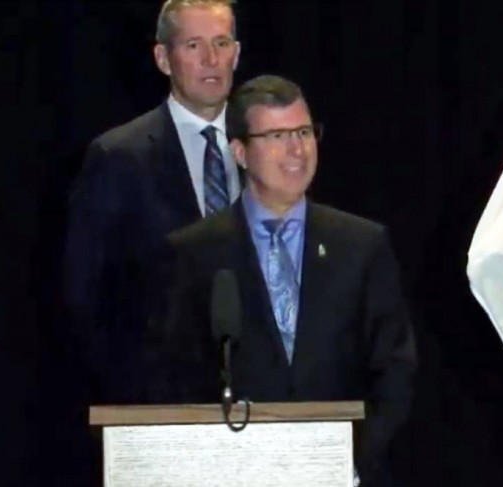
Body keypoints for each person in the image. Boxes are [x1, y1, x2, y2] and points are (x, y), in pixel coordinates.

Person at [147, 74, 417, 486]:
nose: (297, 150)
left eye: (304, 132)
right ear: (239, 151)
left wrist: (347, 461)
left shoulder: (362, 245)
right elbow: (174, 377)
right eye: (276, 135)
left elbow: (395, 370)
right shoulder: (195, 253)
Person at [63, 0, 242, 403]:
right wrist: (131, 392)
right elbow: (85, 294)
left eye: (221, 42)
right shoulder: (118, 156)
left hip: (265, 402)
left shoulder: (267, 145)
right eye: (193, 45)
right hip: (155, 403)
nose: (211, 59)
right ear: (163, 58)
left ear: (237, 52)